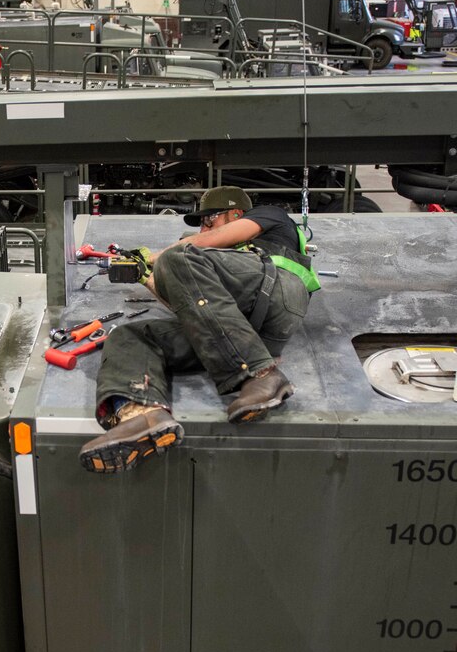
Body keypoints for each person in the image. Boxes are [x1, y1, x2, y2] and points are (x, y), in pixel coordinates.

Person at [78, 186, 319, 474]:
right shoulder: (206, 264)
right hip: (239, 334)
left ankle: (261, 375)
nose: (204, 227)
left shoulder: (270, 217)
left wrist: (157, 257)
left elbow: (203, 244)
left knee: (177, 257)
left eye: (210, 219)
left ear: (236, 213)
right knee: (128, 336)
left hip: (276, 290)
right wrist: (145, 275)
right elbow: (191, 308)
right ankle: (142, 416)